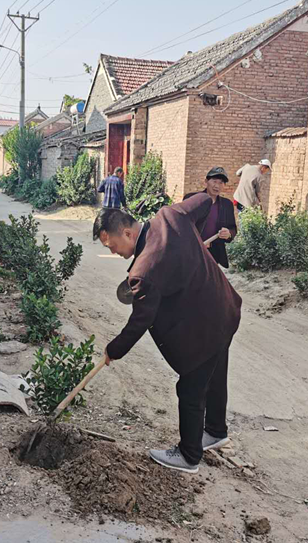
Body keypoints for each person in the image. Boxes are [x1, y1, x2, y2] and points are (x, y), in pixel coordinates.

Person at [93, 195, 243, 473]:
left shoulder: (143, 270)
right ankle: (215, 431)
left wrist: (113, 350)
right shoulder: (170, 216)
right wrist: (191, 238)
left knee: (191, 387)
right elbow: (204, 201)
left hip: (207, 325)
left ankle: (188, 455)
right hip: (226, 309)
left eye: (112, 246)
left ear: (127, 232)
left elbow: (140, 320)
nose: (113, 252)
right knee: (216, 371)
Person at [183, 167, 237, 268]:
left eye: (221, 183)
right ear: (206, 181)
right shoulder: (191, 199)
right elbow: (182, 224)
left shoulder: (227, 205)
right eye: (214, 181)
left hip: (213, 253)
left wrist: (229, 233)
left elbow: (233, 228)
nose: (217, 185)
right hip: (191, 250)